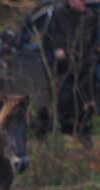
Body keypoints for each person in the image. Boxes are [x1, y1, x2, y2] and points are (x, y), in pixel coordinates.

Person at [50, 0, 98, 148]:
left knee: (85, 101)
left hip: (85, 68)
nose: (81, 2)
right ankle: (60, 134)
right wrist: (56, 50)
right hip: (64, 67)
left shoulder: (90, 17)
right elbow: (48, 38)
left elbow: (94, 42)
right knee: (64, 99)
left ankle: (83, 133)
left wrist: (91, 59)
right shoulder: (58, 14)